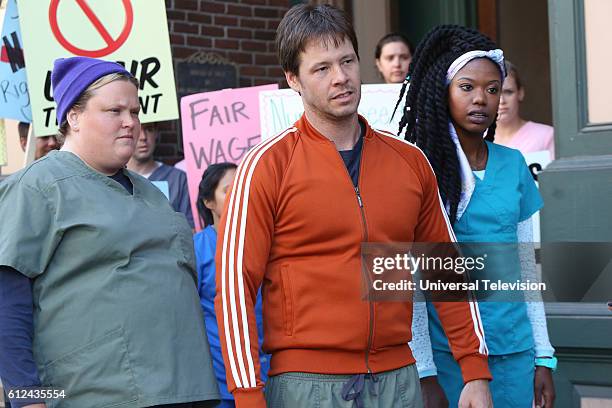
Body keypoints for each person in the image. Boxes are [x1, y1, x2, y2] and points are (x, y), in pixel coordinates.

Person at [214, 5, 493, 408]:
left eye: (347, 61)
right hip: (305, 384)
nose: (341, 77)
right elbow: (235, 289)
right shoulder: (266, 165)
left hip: (398, 380)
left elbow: (445, 270)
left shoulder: (410, 161)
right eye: (321, 68)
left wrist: (475, 370)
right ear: (293, 79)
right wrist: (247, 396)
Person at [0, 56, 219, 408]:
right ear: (73, 116)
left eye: (135, 111)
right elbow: (6, 301)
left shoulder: (152, 191)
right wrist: (29, 399)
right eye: (114, 111)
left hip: (184, 389)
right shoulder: (38, 186)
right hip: (97, 395)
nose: (130, 122)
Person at [396, 25, 556, 407]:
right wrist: (424, 370)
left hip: (514, 352)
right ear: (443, 91)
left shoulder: (514, 163)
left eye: (492, 89)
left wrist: (543, 356)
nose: (481, 99)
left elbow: (527, 265)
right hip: (449, 357)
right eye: (467, 87)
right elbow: (411, 277)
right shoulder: (420, 168)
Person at [193, 163, 270, 408]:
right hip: (221, 381)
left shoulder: (268, 242)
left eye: (244, 188)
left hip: (271, 374)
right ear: (208, 203)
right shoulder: (197, 248)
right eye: (229, 190)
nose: (239, 196)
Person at [127, 122, 195, 228]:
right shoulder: (112, 179)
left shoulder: (178, 179)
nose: (143, 137)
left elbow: (191, 230)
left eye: (149, 129)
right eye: (137, 130)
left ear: (156, 133)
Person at [494, 60, 555, 160]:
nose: (501, 101)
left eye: (508, 92)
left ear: (520, 93)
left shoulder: (546, 136)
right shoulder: (475, 141)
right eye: (494, 92)